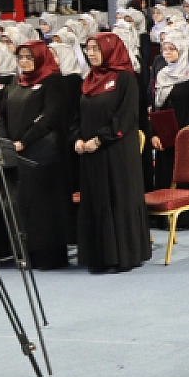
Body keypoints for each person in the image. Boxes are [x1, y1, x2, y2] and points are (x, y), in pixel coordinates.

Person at [74, 32, 151, 273]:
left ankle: (122, 256)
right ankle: (100, 255)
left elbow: (127, 116)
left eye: (96, 49)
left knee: (118, 199)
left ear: (109, 50)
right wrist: (77, 138)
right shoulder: (89, 79)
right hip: (90, 153)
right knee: (97, 200)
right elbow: (79, 115)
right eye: (89, 49)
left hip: (117, 152)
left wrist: (100, 139)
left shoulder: (125, 78)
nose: (91, 54)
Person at [0, 42, 73, 270]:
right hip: (18, 153)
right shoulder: (16, 82)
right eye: (20, 57)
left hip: (44, 153)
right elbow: (2, 114)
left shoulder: (52, 81)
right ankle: (28, 252)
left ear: (41, 57)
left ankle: (50, 256)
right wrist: (6, 141)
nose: (24, 62)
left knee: (45, 206)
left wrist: (24, 140)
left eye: (29, 58)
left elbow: (49, 116)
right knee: (25, 204)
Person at [150, 33, 189, 192]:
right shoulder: (162, 74)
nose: (167, 52)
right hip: (164, 135)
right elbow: (157, 108)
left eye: (171, 49)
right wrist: (154, 133)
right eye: (164, 49)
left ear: (182, 51)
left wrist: (182, 134)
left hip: (185, 134)